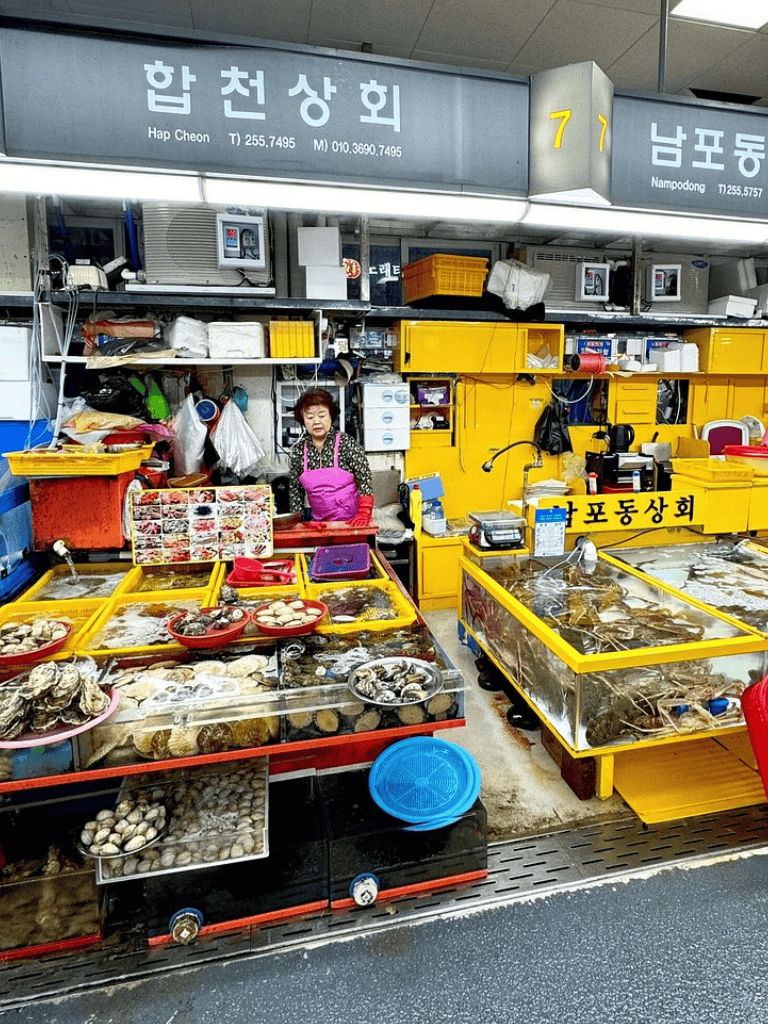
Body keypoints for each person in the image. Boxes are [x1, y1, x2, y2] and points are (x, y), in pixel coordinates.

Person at [287, 388, 374, 527]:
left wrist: (364, 512)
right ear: (302, 420)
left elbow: (365, 478)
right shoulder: (298, 451)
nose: (316, 421)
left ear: (331, 417)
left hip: (352, 524)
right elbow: (295, 491)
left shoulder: (346, 443)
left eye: (322, 415)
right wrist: (298, 522)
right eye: (310, 417)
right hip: (321, 526)